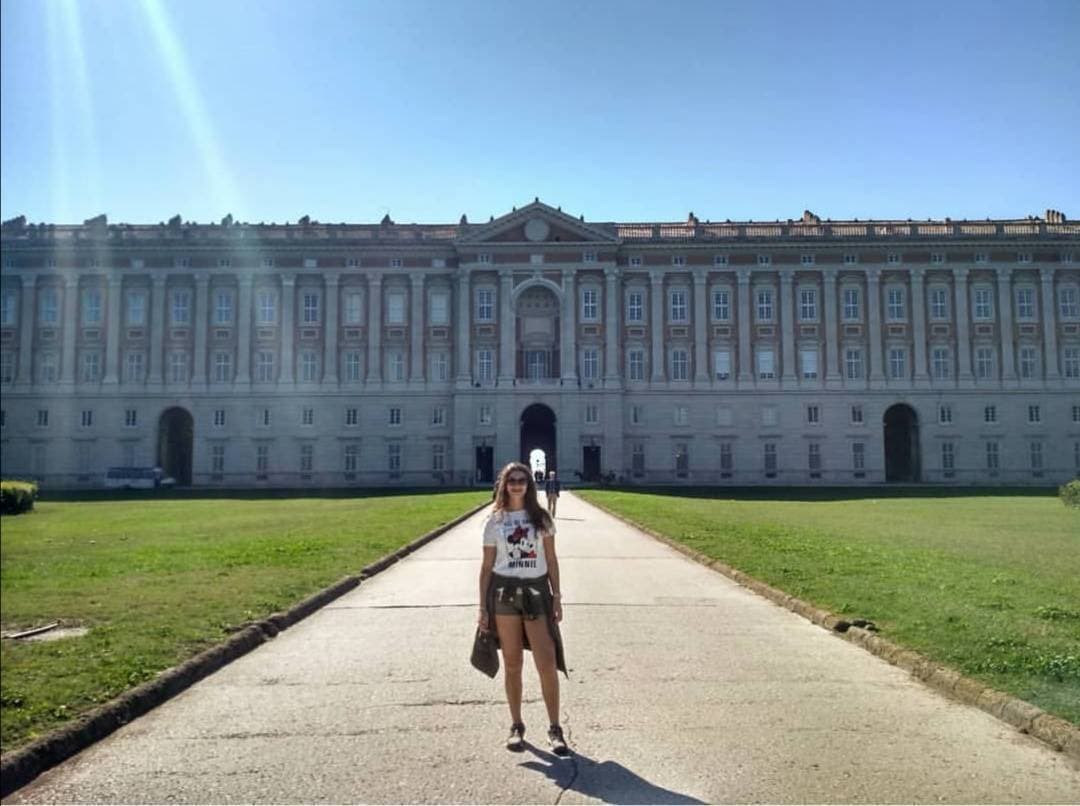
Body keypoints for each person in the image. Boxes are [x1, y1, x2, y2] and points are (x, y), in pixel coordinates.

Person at [478, 462, 569, 755]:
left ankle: (555, 727)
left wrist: (557, 596)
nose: (517, 484)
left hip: (537, 594)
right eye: (511, 480)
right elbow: (487, 566)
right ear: (504, 484)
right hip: (504, 595)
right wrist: (482, 606)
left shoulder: (541, 519)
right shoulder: (494, 521)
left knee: (546, 662)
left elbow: (552, 560)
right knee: (513, 663)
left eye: (522, 480)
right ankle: (516, 725)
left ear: (530, 484)